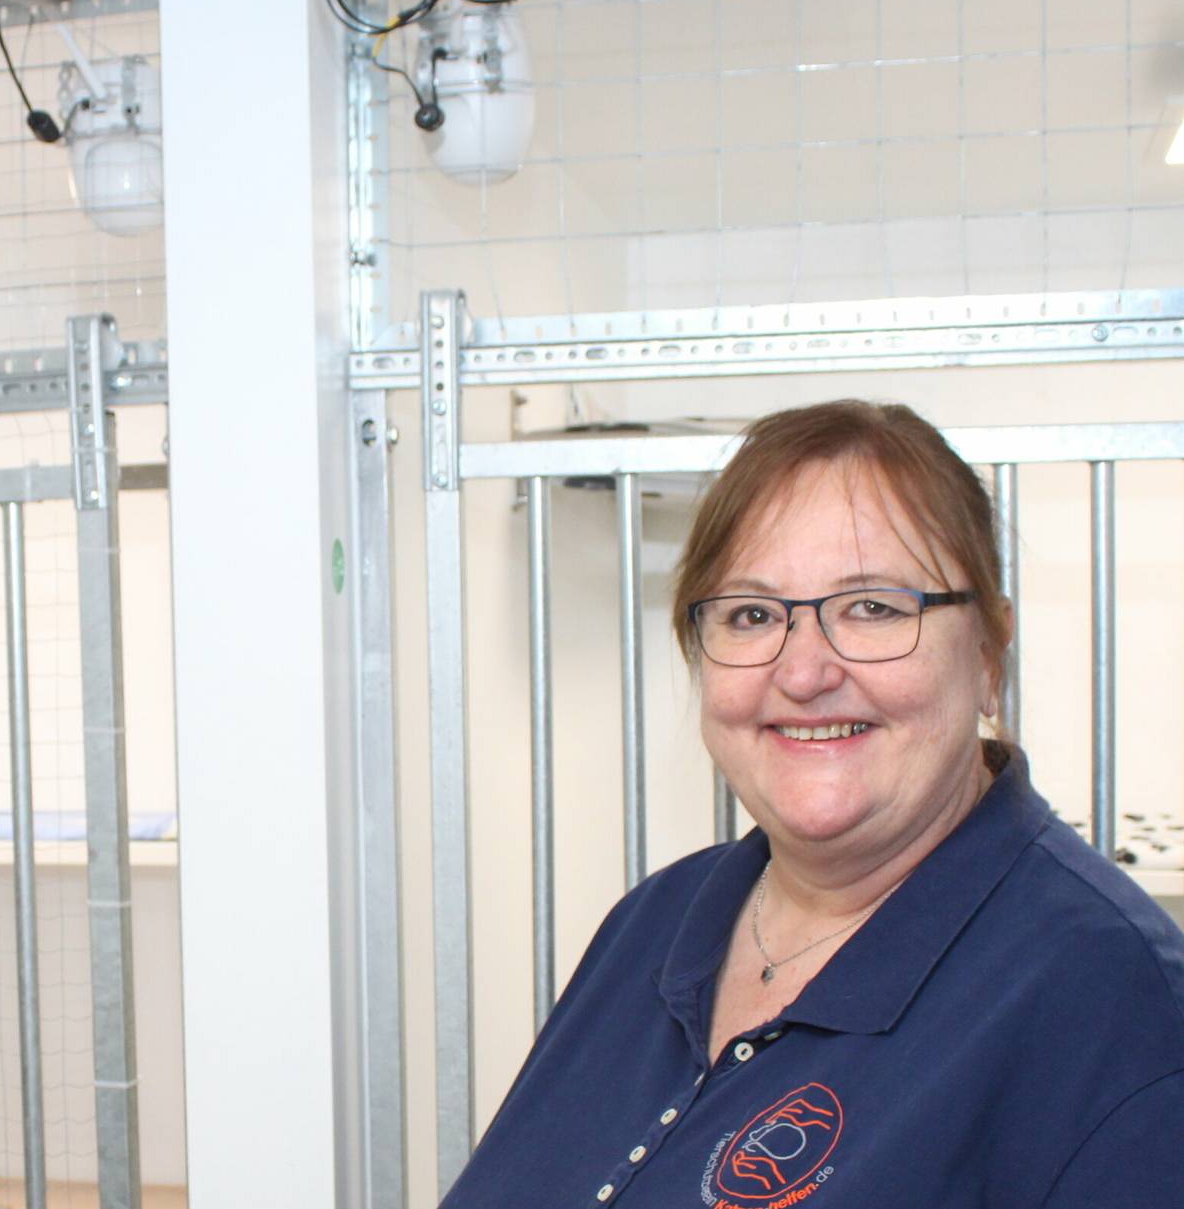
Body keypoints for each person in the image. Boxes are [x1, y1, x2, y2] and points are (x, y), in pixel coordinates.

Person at [440, 400, 1184, 1208]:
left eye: (872, 607)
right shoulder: (653, 924)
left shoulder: (1114, 1001)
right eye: (752, 614)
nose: (803, 672)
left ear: (989, 654)